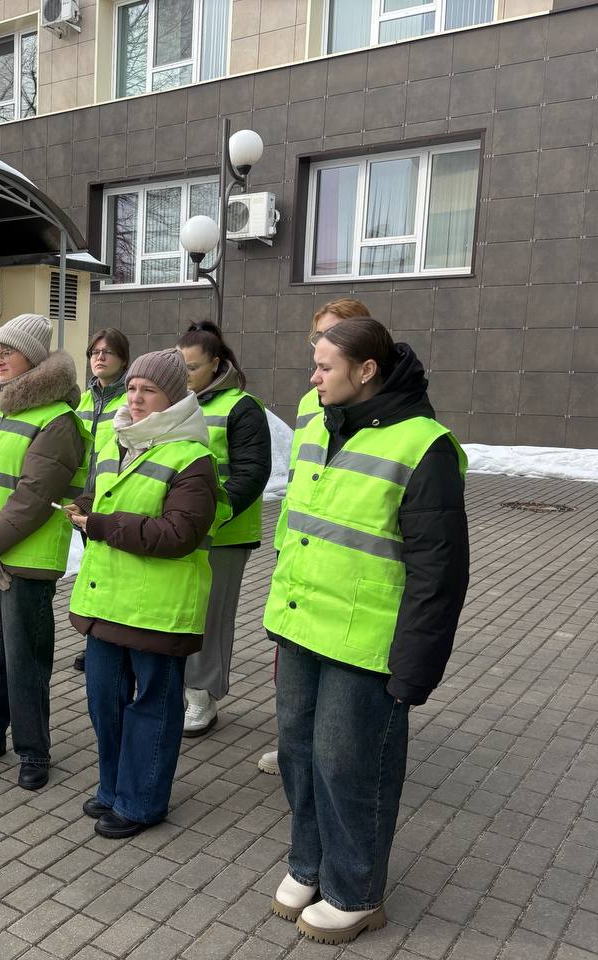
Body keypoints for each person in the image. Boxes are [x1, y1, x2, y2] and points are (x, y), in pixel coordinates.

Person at [265, 318, 468, 944]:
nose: (313, 377)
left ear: (366, 370)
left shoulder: (423, 445)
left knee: (348, 766)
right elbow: (300, 524)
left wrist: (416, 665)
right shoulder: (320, 426)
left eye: (325, 366)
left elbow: (439, 571)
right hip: (302, 622)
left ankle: (355, 891)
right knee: (298, 754)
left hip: (365, 639)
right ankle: (308, 863)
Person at [66, 350, 226, 839]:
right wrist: (86, 508)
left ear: (172, 397)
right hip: (105, 600)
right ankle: (113, 788)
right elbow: (111, 498)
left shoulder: (193, 457)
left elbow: (180, 534)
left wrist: (102, 523)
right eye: (132, 387)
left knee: (152, 708)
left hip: (158, 609)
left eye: (148, 390)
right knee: (104, 702)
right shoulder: (117, 440)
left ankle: (142, 802)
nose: (134, 398)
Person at [0, 314, 87, 791]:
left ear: (34, 357)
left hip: (27, 562)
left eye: (8, 351)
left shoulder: (58, 419)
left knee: (24, 659)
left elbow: (34, 497)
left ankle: (33, 750)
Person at [259, 297, 372, 775]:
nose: (322, 346)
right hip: (297, 547)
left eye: (335, 334)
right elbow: (301, 478)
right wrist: (285, 540)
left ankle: (331, 753)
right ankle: (294, 747)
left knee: (336, 679)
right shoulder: (311, 401)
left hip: (345, 561)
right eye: (318, 336)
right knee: (291, 666)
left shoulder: (384, 406)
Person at [178, 322, 271, 737]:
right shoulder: (176, 403)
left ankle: (202, 696)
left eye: (192, 367)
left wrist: (209, 515)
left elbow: (252, 473)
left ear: (216, 364)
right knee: (180, 612)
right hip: (180, 532)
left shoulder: (242, 406)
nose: (184, 375)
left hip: (225, 534)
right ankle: (180, 690)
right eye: (179, 366)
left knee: (211, 616)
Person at [72, 327, 131, 672]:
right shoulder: (83, 399)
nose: (100, 357)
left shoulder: (131, 400)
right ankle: (95, 640)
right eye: (95, 352)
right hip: (84, 502)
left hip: (114, 502)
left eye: (107, 352)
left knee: (115, 574)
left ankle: (116, 642)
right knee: (92, 570)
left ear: (123, 359)